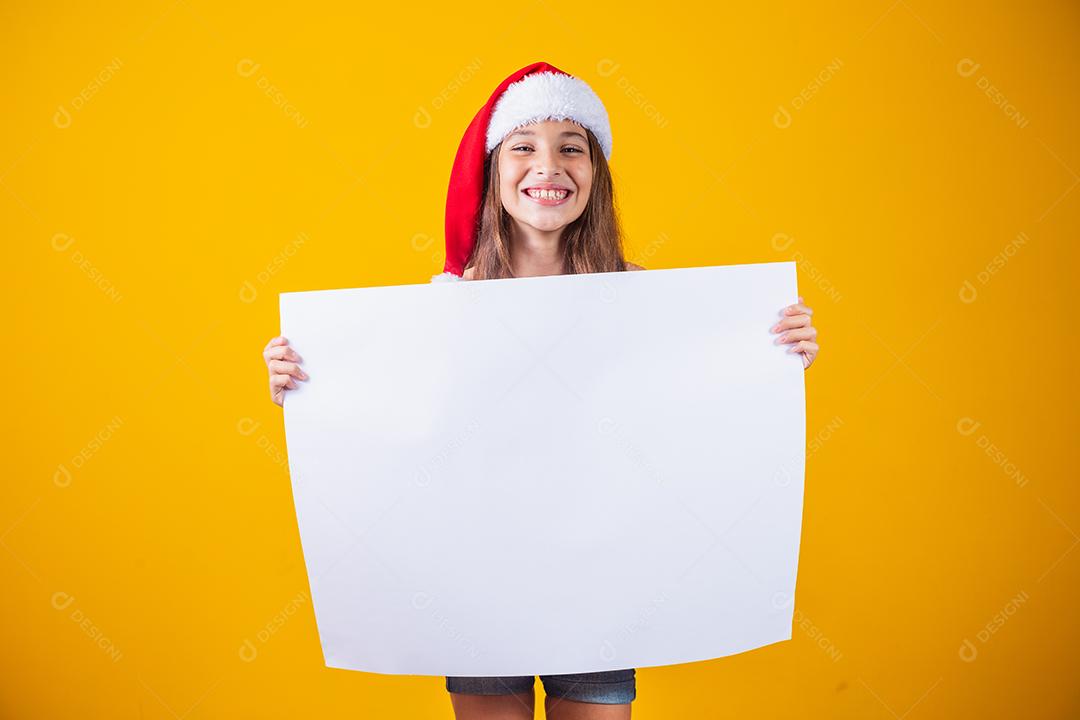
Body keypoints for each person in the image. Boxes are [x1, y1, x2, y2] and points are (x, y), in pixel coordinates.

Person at [261, 61, 819, 720]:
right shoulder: (445, 308)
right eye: (523, 147)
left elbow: (690, 409)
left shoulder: (646, 303)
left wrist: (771, 358)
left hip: (602, 583)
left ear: (595, 176)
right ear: (494, 177)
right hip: (478, 583)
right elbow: (396, 426)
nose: (547, 166)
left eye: (570, 147)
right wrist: (309, 381)